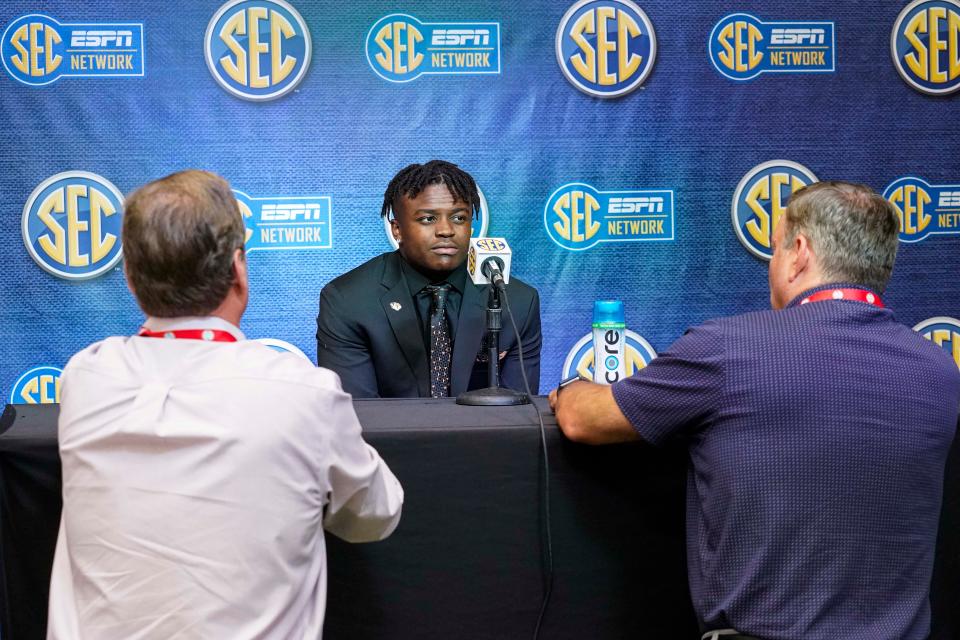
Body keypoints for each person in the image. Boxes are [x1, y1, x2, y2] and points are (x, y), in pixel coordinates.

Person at [550, 181, 960, 640]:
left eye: (776, 247)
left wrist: (571, 386)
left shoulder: (729, 349)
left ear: (799, 252)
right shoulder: (940, 370)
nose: (771, 263)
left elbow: (583, 419)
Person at [47, 170, 403, 639]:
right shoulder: (301, 391)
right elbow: (374, 514)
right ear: (239, 269)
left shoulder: (85, 378)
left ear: (130, 278)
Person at [316, 160, 541, 398]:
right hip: (386, 435)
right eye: (428, 219)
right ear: (397, 230)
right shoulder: (349, 301)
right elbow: (355, 414)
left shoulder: (516, 301)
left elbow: (518, 415)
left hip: (483, 434)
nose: (446, 230)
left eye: (459, 218)